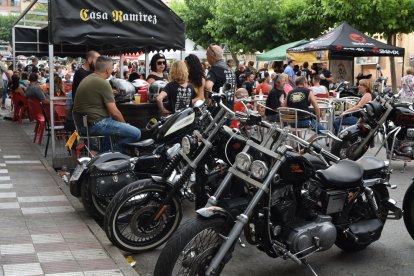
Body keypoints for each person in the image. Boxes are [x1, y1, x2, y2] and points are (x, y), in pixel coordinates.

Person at [73, 56, 141, 153]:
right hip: (96, 124)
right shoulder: (103, 83)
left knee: (110, 133)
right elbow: (115, 112)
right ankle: (109, 154)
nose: (112, 70)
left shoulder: (88, 78)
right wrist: (125, 124)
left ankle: (105, 154)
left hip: (83, 125)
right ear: (108, 70)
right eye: (112, 68)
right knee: (136, 133)